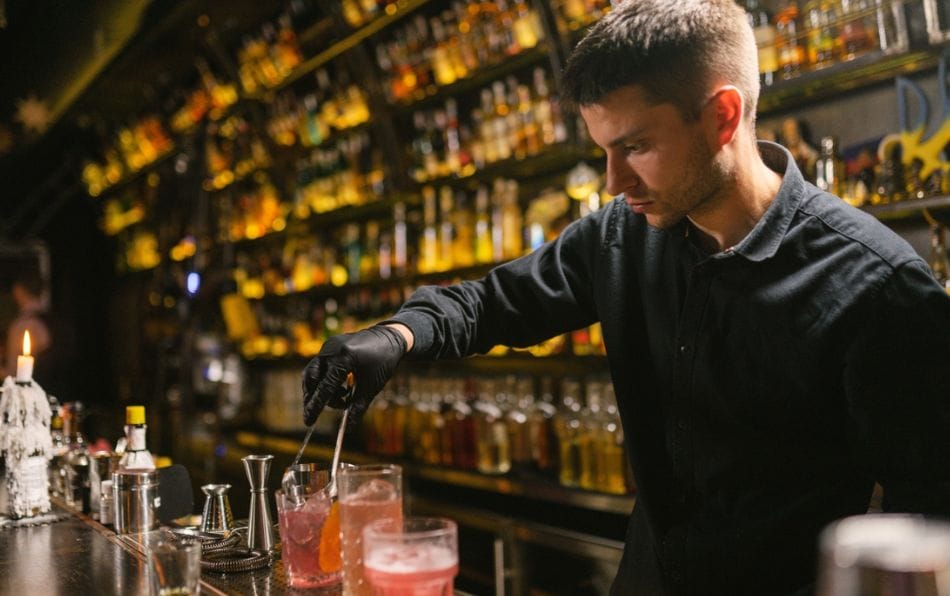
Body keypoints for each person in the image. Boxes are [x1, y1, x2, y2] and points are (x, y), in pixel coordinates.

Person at [302, 1, 950, 594]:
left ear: (723, 115)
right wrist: (395, 336)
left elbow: (932, 523)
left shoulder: (876, 287)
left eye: (635, 147)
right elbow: (492, 302)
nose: (615, 181)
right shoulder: (622, 235)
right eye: (604, 151)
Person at [3, 270, 51, 379]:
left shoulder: (22, 324)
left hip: (31, 390)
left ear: (18, 290)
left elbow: (13, 373)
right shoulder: (51, 320)